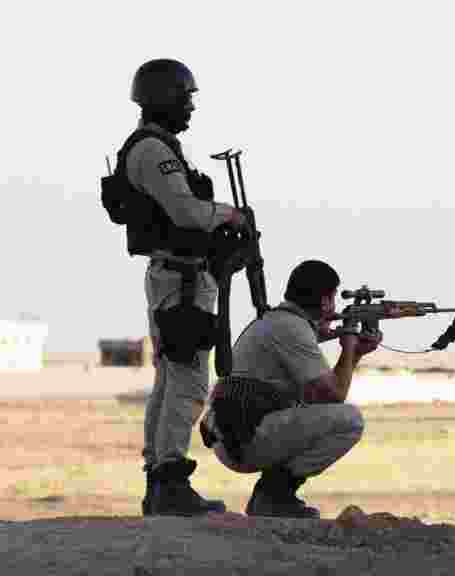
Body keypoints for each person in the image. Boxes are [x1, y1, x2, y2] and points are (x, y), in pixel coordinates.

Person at [119, 58, 247, 516]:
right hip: (182, 280)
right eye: (185, 97)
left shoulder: (155, 147)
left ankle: (161, 479)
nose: (191, 107)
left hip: (175, 276)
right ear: (164, 99)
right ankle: (169, 479)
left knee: (171, 378)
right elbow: (187, 214)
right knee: (190, 379)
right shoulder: (153, 151)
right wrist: (229, 215)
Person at [199, 260, 380, 518]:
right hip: (242, 437)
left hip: (232, 433)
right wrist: (350, 346)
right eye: (333, 299)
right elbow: (335, 394)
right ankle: (274, 495)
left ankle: (271, 495)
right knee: (350, 421)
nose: (334, 308)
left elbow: (318, 397)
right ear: (326, 300)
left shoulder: (279, 321)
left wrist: (355, 352)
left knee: (318, 410)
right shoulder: (292, 328)